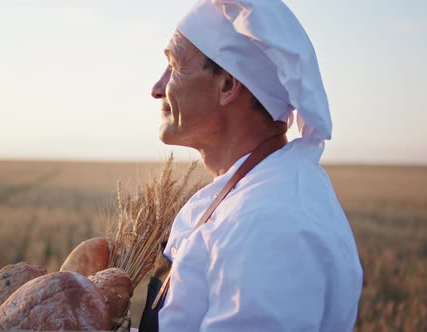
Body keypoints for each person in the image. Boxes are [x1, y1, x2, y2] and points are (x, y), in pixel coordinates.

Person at [138, 1, 364, 331]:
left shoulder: (271, 224)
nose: (157, 88)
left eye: (175, 65)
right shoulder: (248, 194)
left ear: (227, 85)